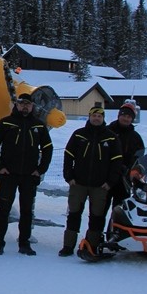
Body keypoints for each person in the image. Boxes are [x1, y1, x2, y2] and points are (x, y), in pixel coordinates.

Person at [0, 92, 53, 255]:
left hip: (29, 176)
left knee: (26, 211)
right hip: (8, 174)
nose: (25, 106)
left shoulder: (38, 125)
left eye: (28, 104)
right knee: (4, 209)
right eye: (22, 103)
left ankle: (24, 243)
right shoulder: (6, 123)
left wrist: (40, 169)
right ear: (16, 105)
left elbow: (47, 148)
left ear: (32, 106)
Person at [60, 105, 123, 257]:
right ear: (89, 117)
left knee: (97, 217)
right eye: (94, 116)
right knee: (74, 214)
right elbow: (68, 156)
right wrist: (69, 177)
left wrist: (110, 182)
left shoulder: (111, 137)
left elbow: (117, 162)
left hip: (100, 186)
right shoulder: (78, 135)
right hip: (78, 183)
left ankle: (93, 245)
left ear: (103, 118)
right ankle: (68, 246)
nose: (96, 118)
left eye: (99, 116)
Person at [107, 101, 145, 209]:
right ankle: (96, 226)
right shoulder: (107, 132)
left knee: (120, 209)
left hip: (124, 179)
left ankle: (116, 226)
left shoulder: (135, 137)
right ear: (119, 115)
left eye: (129, 117)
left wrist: (132, 169)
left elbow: (140, 157)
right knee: (99, 209)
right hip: (106, 177)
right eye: (124, 115)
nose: (126, 119)